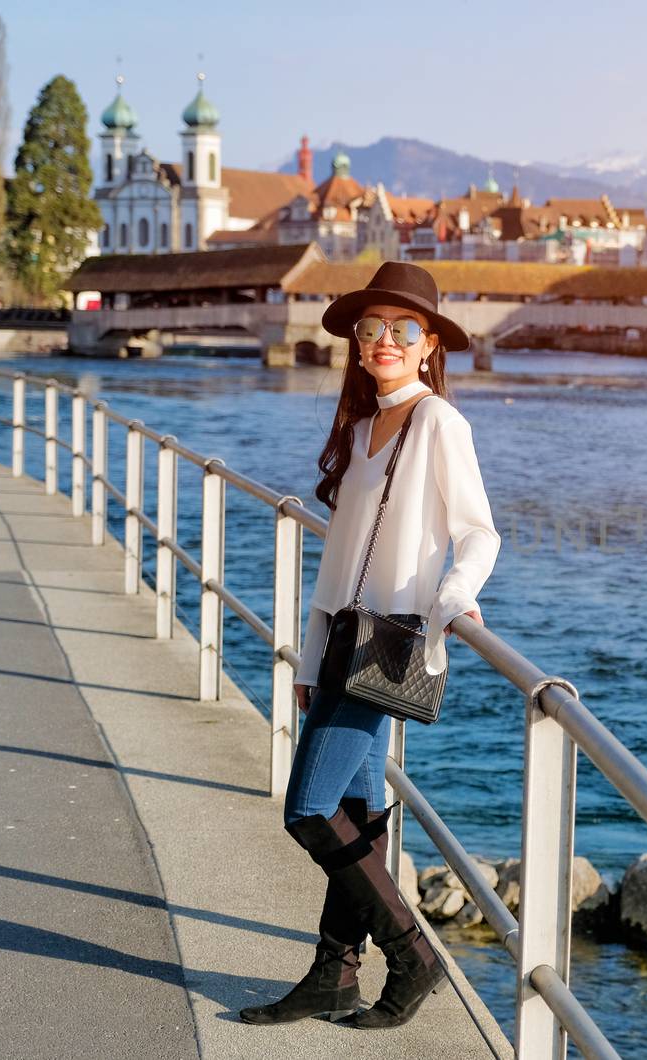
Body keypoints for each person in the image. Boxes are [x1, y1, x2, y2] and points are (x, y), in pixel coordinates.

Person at [239, 261, 501, 1029]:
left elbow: (478, 533)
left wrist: (450, 603)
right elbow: (341, 555)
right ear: (356, 343)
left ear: (429, 347)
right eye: (372, 328)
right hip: (341, 640)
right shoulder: (359, 431)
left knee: (310, 809)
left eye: (404, 329)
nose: (385, 340)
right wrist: (307, 646)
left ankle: (413, 955)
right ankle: (334, 973)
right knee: (355, 809)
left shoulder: (439, 424)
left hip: (390, 643)